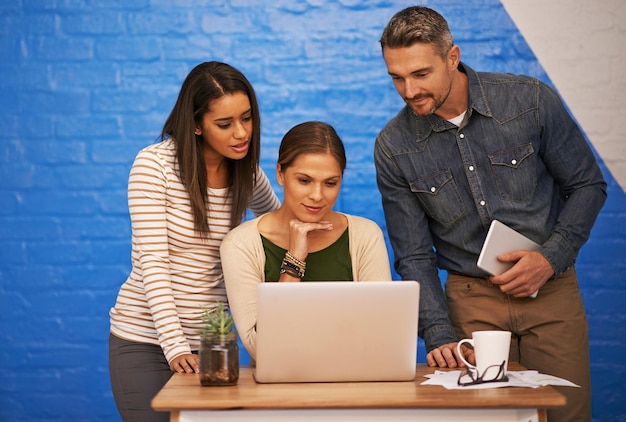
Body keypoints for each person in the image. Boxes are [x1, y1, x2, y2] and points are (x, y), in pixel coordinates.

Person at [374, 6, 606, 422]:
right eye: (396, 77)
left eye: (420, 74)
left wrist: (551, 258)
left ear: (452, 57)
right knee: (486, 418)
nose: (408, 91)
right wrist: (438, 331)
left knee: (567, 415)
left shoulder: (530, 100)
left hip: (551, 291)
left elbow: (587, 185)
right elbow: (413, 254)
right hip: (471, 301)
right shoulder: (393, 146)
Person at [108, 61, 280, 422]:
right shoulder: (154, 166)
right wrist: (175, 347)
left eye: (247, 118)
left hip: (214, 344)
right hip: (148, 342)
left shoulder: (246, 170)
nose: (241, 133)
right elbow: (152, 262)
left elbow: (277, 222)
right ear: (197, 125)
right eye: (225, 124)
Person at [220, 121, 392, 360]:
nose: (317, 196)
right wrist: (294, 261)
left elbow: (381, 336)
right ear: (280, 173)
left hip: (354, 383)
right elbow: (262, 349)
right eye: (304, 180)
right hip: (278, 390)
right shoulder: (241, 244)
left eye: (330, 183)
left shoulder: (365, 236)